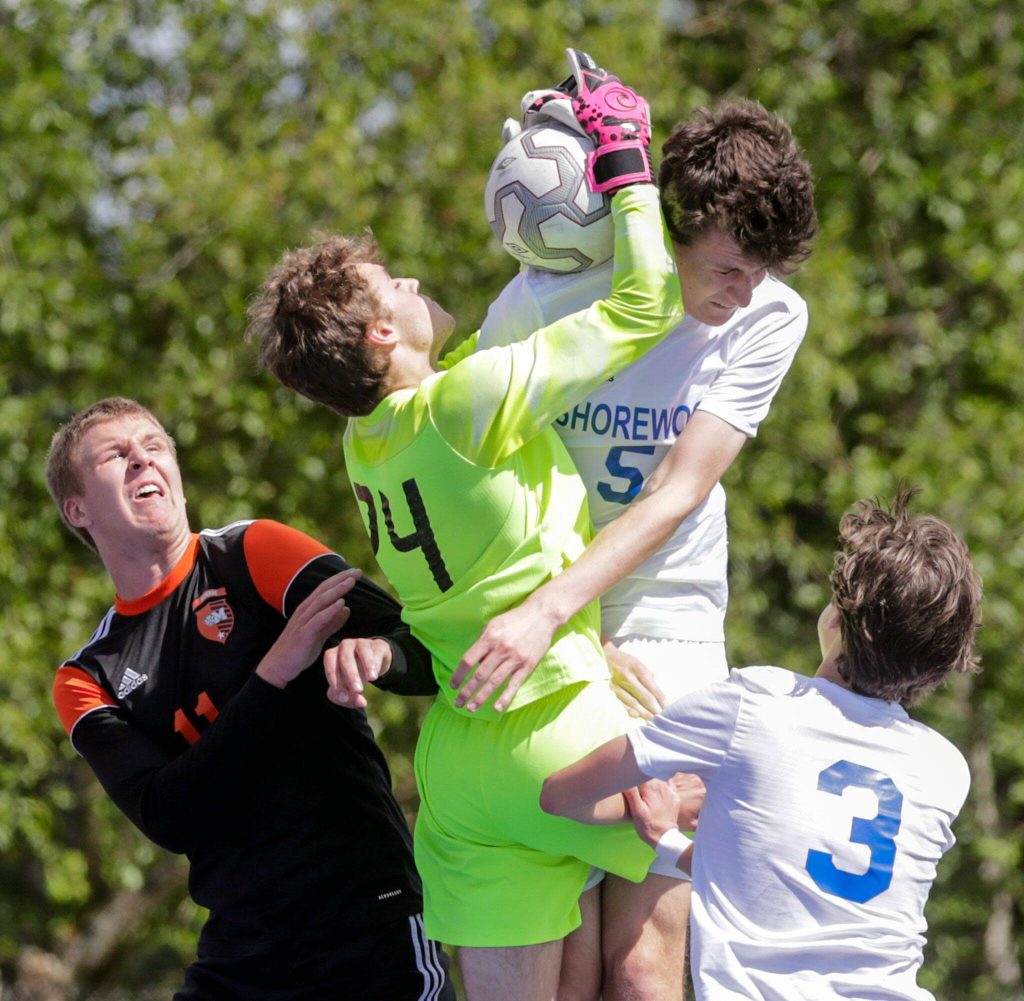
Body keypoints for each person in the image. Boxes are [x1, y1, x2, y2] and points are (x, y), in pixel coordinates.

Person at [247, 51, 685, 1001]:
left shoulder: (366, 446)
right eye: (390, 285)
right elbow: (650, 303)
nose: (409, 278)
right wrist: (625, 164)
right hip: (557, 728)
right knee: (759, 809)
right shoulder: (468, 403)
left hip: (459, 766)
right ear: (376, 336)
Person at [458, 96, 818, 999]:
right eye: (731, 266)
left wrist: (551, 614)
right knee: (566, 964)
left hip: (669, 626)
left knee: (644, 965)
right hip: (556, 635)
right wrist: (559, 622)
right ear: (673, 223)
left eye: (760, 272)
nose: (742, 293)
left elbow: (679, 490)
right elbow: (479, 480)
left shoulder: (771, 315)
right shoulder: (541, 297)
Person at [46, 397, 454, 1001]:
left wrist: (380, 657)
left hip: (368, 921)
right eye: (115, 454)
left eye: (154, 446)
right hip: (243, 955)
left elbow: (423, 653)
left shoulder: (254, 551)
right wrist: (275, 672)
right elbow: (171, 815)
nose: (142, 460)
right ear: (78, 510)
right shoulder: (87, 678)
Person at [540, 487, 982, 1001]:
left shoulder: (756, 704)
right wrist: (665, 842)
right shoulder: (944, 770)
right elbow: (788, 886)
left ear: (837, 618)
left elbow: (559, 795)